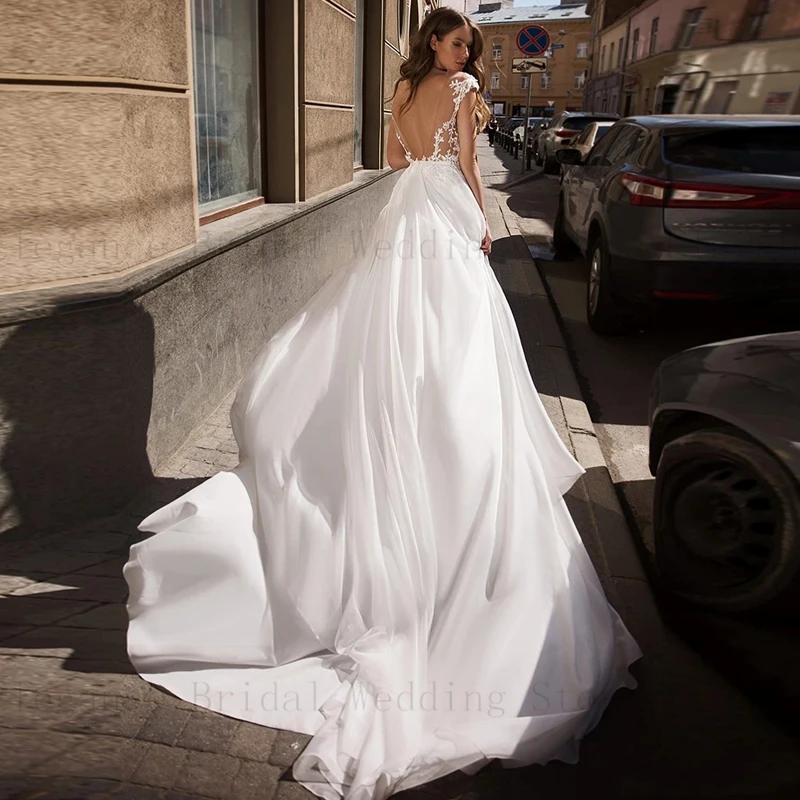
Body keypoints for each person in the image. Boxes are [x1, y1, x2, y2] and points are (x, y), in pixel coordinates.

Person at [124, 8, 641, 800]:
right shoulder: (465, 89)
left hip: (405, 215)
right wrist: (481, 226)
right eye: (459, 40)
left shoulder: (402, 91)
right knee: (452, 349)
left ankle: (405, 438)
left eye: (469, 43)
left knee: (393, 338)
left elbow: (398, 156)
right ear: (438, 42)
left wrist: (433, 166)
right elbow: (468, 163)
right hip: (444, 220)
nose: (467, 52)